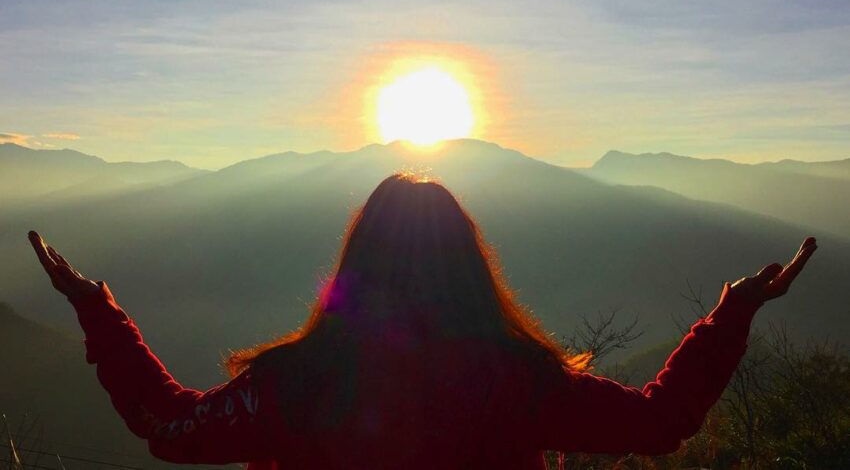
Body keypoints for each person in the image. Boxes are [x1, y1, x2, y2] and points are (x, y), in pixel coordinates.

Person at [27, 173, 817, 469]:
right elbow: (659, 424)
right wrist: (732, 311)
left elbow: (168, 428)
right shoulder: (517, 382)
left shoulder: (293, 387)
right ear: (468, 264)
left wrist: (97, 312)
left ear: (355, 268)